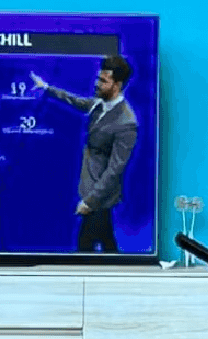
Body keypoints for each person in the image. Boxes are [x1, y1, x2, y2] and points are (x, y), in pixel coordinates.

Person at [31, 55, 138, 253]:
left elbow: (115, 170)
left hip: (100, 196)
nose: (97, 84)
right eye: (98, 78)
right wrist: (47, 88)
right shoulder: (99, 104)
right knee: (107, 244)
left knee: (85, 249)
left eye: (103, 81)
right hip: (90, 189)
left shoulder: (126, 123)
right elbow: (77, 101)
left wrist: (90, 201)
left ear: (117, 85)